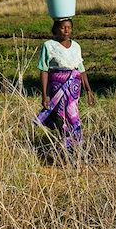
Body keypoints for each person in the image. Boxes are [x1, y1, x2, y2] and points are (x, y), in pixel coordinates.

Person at [34, 18, 95, 150]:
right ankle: (65, 149)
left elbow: (81, 70)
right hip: (57, 88)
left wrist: (89, 90)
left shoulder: (76, 47)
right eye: (63, 27)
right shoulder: (48, 46)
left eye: (69, 28)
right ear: (56, 29)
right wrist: (44, 95)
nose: (66, 30)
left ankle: (74, 148)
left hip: (73, 88)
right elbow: (44, 70)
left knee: (73, 115)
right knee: (60, 118)